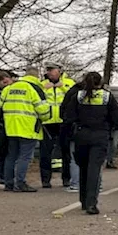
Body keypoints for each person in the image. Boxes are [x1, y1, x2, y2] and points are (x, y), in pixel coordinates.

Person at [61, 72, 118, 215]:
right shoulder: (107, 97)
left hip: (81, 135)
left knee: (83, 168)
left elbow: (68, 118)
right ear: (101, 83)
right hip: (100, 135)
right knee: (94, 169)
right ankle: (91, 203)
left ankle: (84, 200)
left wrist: (65, 136)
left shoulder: (78, 96)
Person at [0, 69, 51, 192]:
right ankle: (20, 183)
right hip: (28, 127)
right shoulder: (34, 88)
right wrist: (46, 117)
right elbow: (42, 109)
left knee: (11, 156)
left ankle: (9, 183)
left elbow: (0, 105)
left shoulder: (8, 89)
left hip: (11, 127)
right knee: (25, 157)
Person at [37, 62, 76, 190]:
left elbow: (74, 95)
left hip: (63, 121)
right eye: (48, 70)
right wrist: (45, 88)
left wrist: (62, 86)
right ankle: (46, 180)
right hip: (47, 122)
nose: (49, 72)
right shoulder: (41, 84)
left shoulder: (69, 82)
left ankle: (66, 179)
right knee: (45, 152)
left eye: (52, 70)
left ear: (59, 71)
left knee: (66, 151)